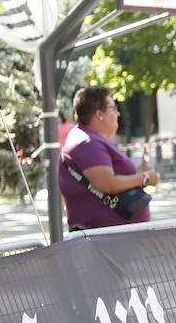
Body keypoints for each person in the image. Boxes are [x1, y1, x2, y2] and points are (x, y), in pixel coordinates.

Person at [60, 86, 158, 230]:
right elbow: (106, 184)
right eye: (113, 108)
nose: (117, 113)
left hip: (112, 240)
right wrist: (145, 178)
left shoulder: (88, 139)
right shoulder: (88, 143)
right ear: (99, 114)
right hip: (108, 241)